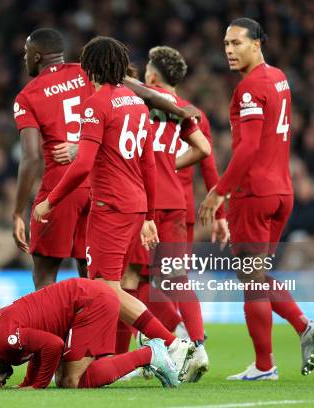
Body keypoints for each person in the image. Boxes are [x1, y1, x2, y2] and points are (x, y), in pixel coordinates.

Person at [33, 36, 196, 382]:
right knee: (110, 285)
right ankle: (100, 358)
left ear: (90, 68)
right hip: (135, 205)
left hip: (110, 206)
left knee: (105, 289)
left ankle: (170, 344)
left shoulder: (97, 104)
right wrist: (149, 216)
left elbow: (81, 166)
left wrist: (50, 200)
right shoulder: (135, 102)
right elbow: (149, 163)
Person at [13, 28, 201, 290]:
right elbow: (146, 94)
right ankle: (93, 328)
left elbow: (31, 157)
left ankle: (53, 332)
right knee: (95, 275)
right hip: (99, 185)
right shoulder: (88, 72)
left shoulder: (27, 96)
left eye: (26, 53)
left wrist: (18, 212)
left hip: (63, 183)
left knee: (45, 275)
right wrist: (182, 112)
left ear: (36, 56)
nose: (24, 58)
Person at [198, 18, 314, 380]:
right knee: (256, 272)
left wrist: (219, 191)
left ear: (257, 44)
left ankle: (265, 365)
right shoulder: (279, 77)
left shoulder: (250, 89)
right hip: (282, 190)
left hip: (254, 193)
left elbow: (249, 148)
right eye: (226, 44)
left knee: (250, 277)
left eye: (237, 43)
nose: (229, 50)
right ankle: (302, 326)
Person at [120, 46, 214, 382]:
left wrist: (155, 167)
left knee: (133, 279)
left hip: (144, 197)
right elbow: (204, 150)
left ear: (152, 75)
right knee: (175, 279)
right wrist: (168, 165)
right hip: (175, 199)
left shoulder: (137, 97)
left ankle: (128, 358)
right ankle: (197, 346)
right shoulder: (182, 109)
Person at [0, 278, 179, 389]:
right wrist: (27, 383)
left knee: (70, 380)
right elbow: (36, 347)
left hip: (91, 302)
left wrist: (37, 386)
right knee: (64, 378)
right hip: (82, 302)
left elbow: (52, 344)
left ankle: (150, 354)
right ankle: (149, 353)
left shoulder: (3, 339)